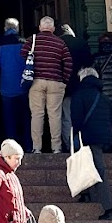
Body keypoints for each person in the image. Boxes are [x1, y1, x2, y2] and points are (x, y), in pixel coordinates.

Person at [67, 68, 112, 220]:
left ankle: (109, 209)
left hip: (88, 137)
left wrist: (77, 133)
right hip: (103, 138)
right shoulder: (103, 96)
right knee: (88, 164)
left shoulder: (79, 95)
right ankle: (85, 193)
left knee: (97, 171)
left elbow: (76, 119)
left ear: (82, 79)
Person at [24, 16, 72, 154]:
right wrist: (64, 80)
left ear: (40, 27)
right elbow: (68, 63)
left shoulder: (31, 40)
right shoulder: (60, 43)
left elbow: (23, 55)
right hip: (56, 82)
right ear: (53, 28)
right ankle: (56, 147)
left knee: (37, 115)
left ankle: (36, 147)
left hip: (37, 82)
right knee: (55, 115)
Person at [0, 19, 32, 151]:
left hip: (6, 88)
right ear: (17, 29)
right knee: (26, 119)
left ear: (5, 28)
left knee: (9, 121)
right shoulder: (25, 43)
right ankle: (28, 147)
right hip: (24, 88)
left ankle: (11, 150)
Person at [58, 23, 91, 152]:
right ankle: (83, 144)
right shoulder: (81, 43)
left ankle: (69, 145)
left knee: (65, 117)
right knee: (82, 116)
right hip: (80, 86)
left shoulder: (56, 44)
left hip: (62, 87)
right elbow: (88, 63)